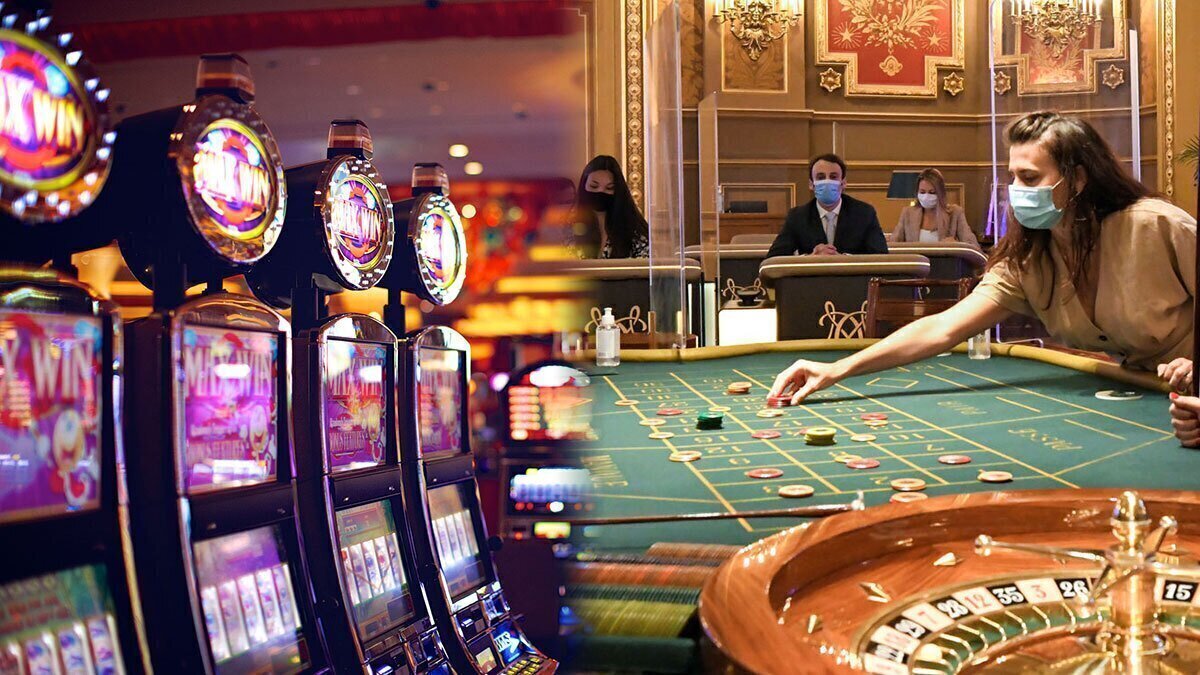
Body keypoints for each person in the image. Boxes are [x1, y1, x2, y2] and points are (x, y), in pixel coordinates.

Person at [769, 111, 1196, 426]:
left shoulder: (1156, 225)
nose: (1016, 192)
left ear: (1078, 180)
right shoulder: (1029, 257)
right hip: (1147, 396)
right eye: (1012, 178)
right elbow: (943, 328)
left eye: (1030, 179)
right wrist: (838, 369)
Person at [766, 153, 888, 257]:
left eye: (833, 177)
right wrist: (809, 259)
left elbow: (881, 255)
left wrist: (844, 259)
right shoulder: (798, 216)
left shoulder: (864, 213)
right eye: (821, 177)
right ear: (811, 184)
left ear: (843, 183)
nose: (827, 181)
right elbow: (774, 258)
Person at [568, 155, 649, 259]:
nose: (600, 191)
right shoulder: (568, 228)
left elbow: (644, 267)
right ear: (584, 185)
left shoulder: (634, 230)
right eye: (594, 186)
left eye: (609, 188)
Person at [891, 168, 981, 250]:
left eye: (932, 192)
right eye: (922, 192)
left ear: (940, 193)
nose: (926, 196)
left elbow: (974, 247)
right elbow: (893, 244)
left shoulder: (955, 213)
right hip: (916, 265)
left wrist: (956, 245)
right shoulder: (907, 213)